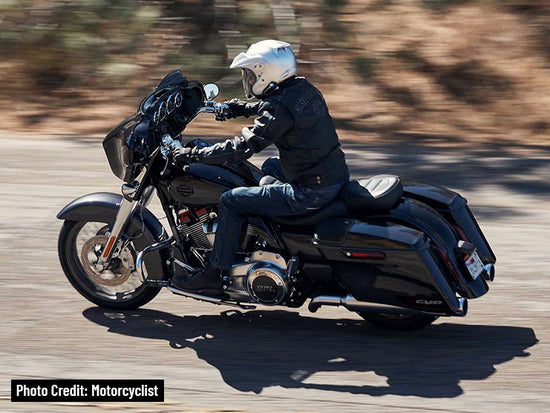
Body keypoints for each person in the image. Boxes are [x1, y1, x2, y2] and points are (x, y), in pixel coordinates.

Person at [171, 39, 349, 295]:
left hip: (311, 191)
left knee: (232, 200)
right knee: (269, 166)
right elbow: (275, 108)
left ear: (267, 74)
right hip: (328, 174)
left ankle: (215, 272)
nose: (248, 79)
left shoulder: (282, 108)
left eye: (251, 74)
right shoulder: (303, 89)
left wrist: (194, 154)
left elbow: (243, 147)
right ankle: (260, 235)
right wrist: (237, 108)